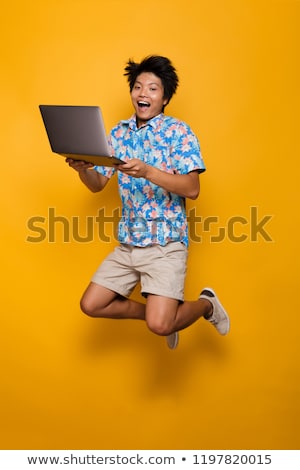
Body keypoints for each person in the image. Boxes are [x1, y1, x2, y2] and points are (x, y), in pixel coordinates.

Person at [67, 55, 230, 349]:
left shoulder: (179, 132)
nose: (143, 94)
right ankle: (168, 316)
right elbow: (97, 185)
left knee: (159, 325)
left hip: (166, 245)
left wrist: (148, 171)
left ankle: (206, 305)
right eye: (138, 87)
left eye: (153, 89)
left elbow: (192, 189)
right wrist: (84, 170)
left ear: (165, 97)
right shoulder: (118, 132)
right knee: (91, 304)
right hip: (129, 243)